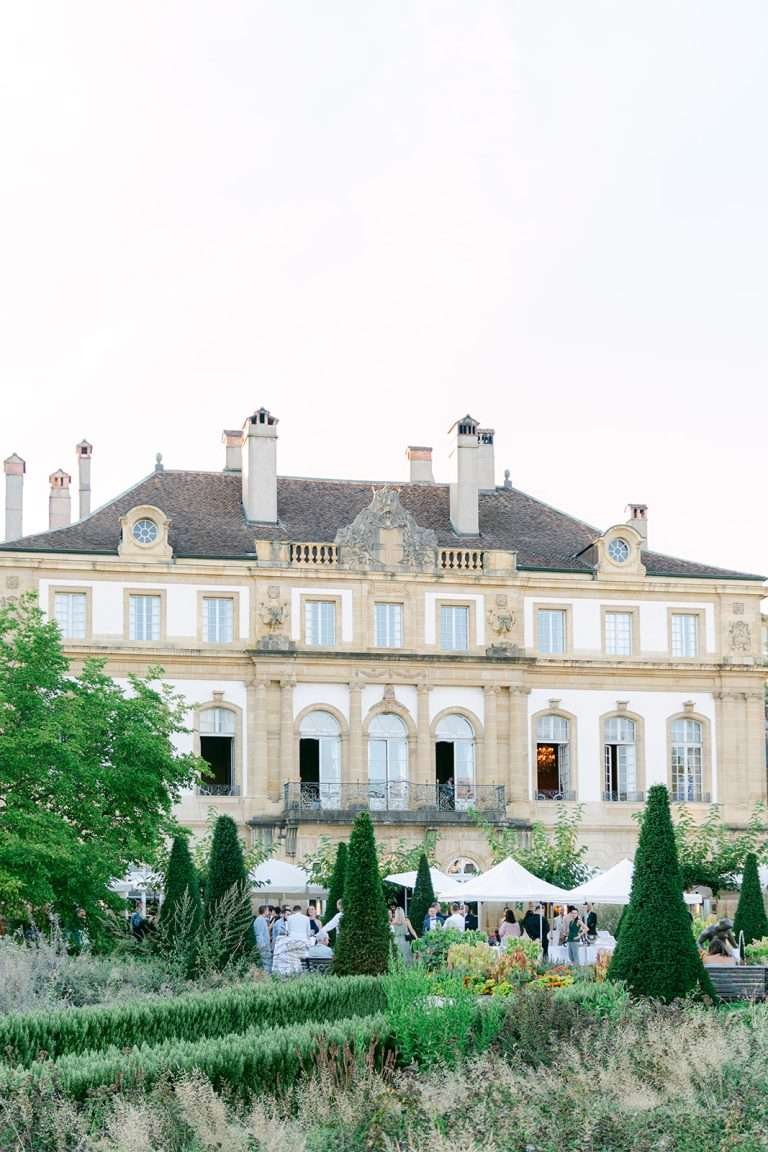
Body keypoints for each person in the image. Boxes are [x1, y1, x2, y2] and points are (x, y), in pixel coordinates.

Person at [253, 905, 272, 973]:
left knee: (265, 964)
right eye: (267, 910)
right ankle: (267, 979)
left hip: (265, 945)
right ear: (265, 911)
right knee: (266, 964)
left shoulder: (261, 919)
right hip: (263, 946)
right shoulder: (260, 920)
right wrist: (263, 946)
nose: (269, 912)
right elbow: (259, 935)